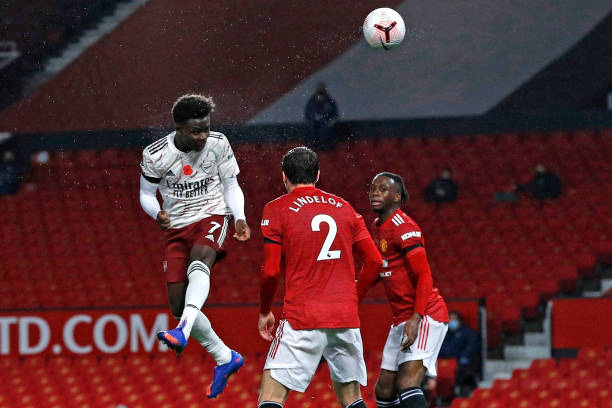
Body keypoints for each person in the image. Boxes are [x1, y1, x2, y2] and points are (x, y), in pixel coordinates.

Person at [139, 94, 251, 398]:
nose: (203, 136)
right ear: (178, 127)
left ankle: (183, 332)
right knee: (177, 304)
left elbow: (231, 185)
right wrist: (157, 213)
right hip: (176, 227)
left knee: (200, 261)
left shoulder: (219, 143)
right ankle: (225, 357)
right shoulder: (156, 154)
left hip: (212, 214)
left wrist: (239, 218)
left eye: (205, 129)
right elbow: (146, 195)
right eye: (195, 131)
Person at [257, 146, 383, 408]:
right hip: (344, 318)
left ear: (284, 177)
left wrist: (264, 310)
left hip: (302, 317)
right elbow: (374, 261)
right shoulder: (345, 208)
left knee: (270, 397)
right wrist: (352, 298)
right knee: (351, 398)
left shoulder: (276, 209)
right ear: (318, 174)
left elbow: (270, 271)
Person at [358, 172, 449, 408]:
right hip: (401, 319)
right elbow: (378, 267)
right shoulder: (375, 226)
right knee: (384, 390)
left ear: (397, 197)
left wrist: (416, 317)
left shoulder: (405, 227)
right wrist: (351, 299)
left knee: (408, 383)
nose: (375, 193)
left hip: (426, 314)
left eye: (382, 189)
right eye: (373, 188)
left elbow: (424, 274)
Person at [438, 311, 481, 397]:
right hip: (447, 361)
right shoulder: (445, 333)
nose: (452, 322)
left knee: (465, 370)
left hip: (461, 362)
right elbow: (442, 348)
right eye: (450, 319)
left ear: (460, 320)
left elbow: (473, 345)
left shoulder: (467, 332)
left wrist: (463, 356)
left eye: (454, 319)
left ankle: (462, 392)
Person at [304, 82, 339, 150]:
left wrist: (332, 120)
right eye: (319, 87)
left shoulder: (329, 100)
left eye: (321, 87)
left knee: (326, 130)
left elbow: (334, 113)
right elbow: (308, 112)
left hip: (326, 126)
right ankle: (314, 144)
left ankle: (324, 144)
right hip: (315, 125)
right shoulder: (312, 101)